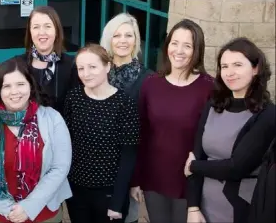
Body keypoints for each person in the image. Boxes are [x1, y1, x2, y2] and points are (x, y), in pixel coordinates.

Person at [0, 57, 72, 223]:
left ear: (31, 86)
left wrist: (28, 207)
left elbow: (60, 167)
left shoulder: (52, 118)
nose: (14, 91)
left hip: (43, 214)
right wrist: (6, 207)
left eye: (20, 84)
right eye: (6, 86)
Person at [130, 19, 214, 223]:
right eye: (175, 43)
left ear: (197, 50)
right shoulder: (151, 84)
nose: (179, 50)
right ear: (167, 46)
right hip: (153, 177)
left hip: (190, 181)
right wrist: (136, 179)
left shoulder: (210, 87)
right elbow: (142, 133)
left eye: (188, 45)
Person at [184, 37, 275, 223]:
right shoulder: (213, 105)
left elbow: (237, 167)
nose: (230, 72)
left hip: (240, 208)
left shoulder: (268, 114)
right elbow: (197, 153)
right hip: (204, 205)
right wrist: (193, 207)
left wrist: (194, 167)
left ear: (256, 69)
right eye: (224, 67)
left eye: (237, 65)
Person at [63, 44, 140, 223]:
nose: (86, 73)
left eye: (92, 67)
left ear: (107, 66)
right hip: (77, 189)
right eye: (81, 68)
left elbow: (128, 156)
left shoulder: (124, 103)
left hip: (109, 191)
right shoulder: (73, 98)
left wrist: (118, 200)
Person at [99, 13, 152, 223]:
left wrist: (137, 179)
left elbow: (147, 132)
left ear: (136, 40)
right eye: (117, 35)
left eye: (128, 35)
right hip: (98, 167)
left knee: (126, 219)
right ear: (109, 39)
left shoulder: (148, 80)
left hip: (130, 168)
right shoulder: (98, 72)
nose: (122, 41)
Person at [15, 6, 78, 113]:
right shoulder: (17, 65)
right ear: (30, 32)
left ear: (56, 30)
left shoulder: (72, 65)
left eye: (47, 26)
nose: (41, 32)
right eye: (36, 27)